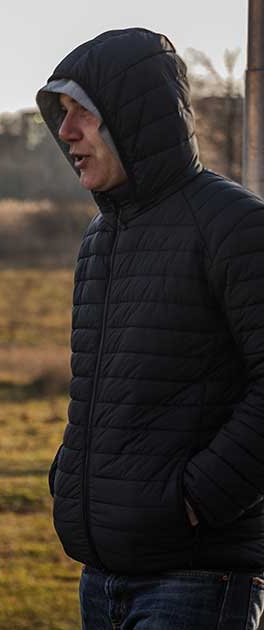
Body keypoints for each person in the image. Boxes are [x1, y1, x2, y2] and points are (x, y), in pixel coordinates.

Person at [36, 28, 264, 628]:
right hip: (102, 576)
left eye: (81, 113)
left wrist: (194, 500)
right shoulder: (99, 240)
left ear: (134, 117)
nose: (66, 133)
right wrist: (71, 475)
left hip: (197, 578)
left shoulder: (234, 225)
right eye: (62, 115)